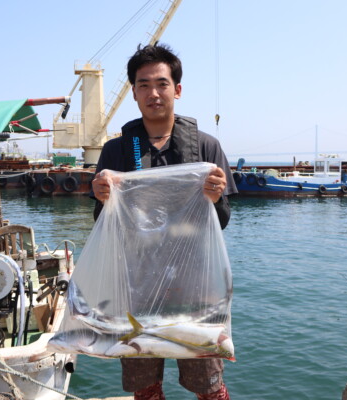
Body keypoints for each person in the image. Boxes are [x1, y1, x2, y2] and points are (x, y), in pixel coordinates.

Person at [91, 43, 237, 400]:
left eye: (161, 83)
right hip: (136, 285)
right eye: (143, 85)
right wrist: (101, 198)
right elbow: (103, 222)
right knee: (144, 384)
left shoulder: (206, 147)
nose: (153, 93)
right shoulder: (117, 150)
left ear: (177, 89)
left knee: (209, 384)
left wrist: (216, 199)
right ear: (134, 92)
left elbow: (222, 221)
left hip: (196, 286)